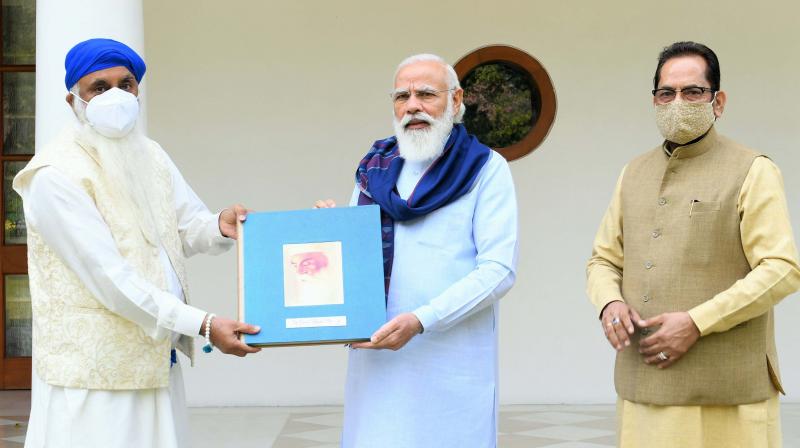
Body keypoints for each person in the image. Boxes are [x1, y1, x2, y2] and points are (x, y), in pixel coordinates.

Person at [14, 38, 261, 448]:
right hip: (92, 373)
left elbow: (183, 227)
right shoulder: (54, 174)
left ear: (138, 91)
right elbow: (110, 280)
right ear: (73, 99)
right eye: (99, 87)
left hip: (153, 356)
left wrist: (220, 225)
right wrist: (202, 324)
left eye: (125, 84)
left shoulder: (151, 155)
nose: (116, 95)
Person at [586, 41, 800, 447]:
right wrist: (609, 303)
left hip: (727, 388)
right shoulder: (634, 172)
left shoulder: (753, 169)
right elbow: (603, 259)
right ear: (654, 100)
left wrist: (697, 322)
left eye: (692, 92)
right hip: (644, 382)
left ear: (718, 101)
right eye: (666, 93)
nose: (677, 102)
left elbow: (782, 269)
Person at [317, 53, 518, 447]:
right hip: (378, 353)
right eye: (402, 96)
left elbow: (498, 269)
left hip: (449, 354)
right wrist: (331, 233)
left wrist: (421, 320)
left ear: (456, 101)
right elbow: (354, 258)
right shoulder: (372, 169)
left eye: (427, 94)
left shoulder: (486, 168)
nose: (412, 106)